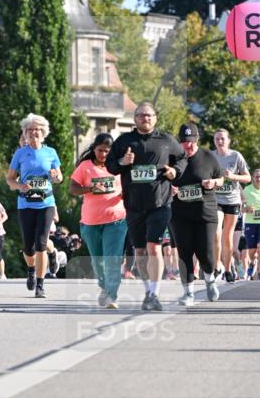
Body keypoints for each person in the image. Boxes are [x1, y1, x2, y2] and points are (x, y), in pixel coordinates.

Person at [106, 102, 186, 312]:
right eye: (141, 115)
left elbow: (182, 158)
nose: (145, 118)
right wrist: (123, 162)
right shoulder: (124, 141)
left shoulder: (166, 140)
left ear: (155, 118)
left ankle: (154, 293)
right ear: (135, 119)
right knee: (140, 251)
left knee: (154, 246)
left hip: (160, 203)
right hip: (133, 205)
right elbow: (110, 166)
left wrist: (174, 172)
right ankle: (147, 290)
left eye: (149, 115)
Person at [7, 114, 63, 299]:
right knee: (28, 247)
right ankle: (31, 269)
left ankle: (40, 284)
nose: (33, 133)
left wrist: (56, 177)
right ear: (25, 133)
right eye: (30, 130)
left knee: (40, 244)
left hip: (45, 203)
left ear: (43, 132)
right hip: (25, 203)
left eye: (37, 129)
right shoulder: (20, 153)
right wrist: (19, 185)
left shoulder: (51, 152)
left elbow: (59, 177)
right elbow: (10, 179)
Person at [69, 132, 127, 309]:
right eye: (100, 150)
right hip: (91, 221)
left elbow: (128, 185)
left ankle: (112, 295)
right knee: (97, 259)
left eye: (107, 151)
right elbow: (72, 188)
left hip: (116, 219)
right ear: (94, 149)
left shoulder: (118, 166)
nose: (103, 154)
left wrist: (127, 194)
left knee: (112, 257)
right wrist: (89, 188)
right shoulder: (85, 166)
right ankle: (103, 286)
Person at [170, 123, 223, 307]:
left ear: (197, 140)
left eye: (191, 142)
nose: (188, 146)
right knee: (184, 253)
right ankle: (188, 293)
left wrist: (213, 183)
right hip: (180, 214)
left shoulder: (208, 156)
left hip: (205, 213)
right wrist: (170, 189)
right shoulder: (173, 159)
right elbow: (163, 181)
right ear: (179, 142)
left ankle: (209, 280)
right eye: (184, 142)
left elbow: (221, 178)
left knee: (206, 252)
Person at [211, 128, 251, 282]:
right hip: (216, 200)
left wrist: (232, 176)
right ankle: (216, 266)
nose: (220, 141)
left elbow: (247, 178)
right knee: (216, 233)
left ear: (228, 141)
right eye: (217, 139)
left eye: (222, 139)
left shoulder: (235, 156)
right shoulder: (211, 156)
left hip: (232, 200)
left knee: (227, 238)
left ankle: (228, 270)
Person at [242, 168, 260, 280]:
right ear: (253, 178)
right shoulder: (247, 190)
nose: (259, 178)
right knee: (253, 251)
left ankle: (259, 272)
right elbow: (241, 208)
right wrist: (247, 208)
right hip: (250, 223)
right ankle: (253, 262)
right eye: (257, 176)